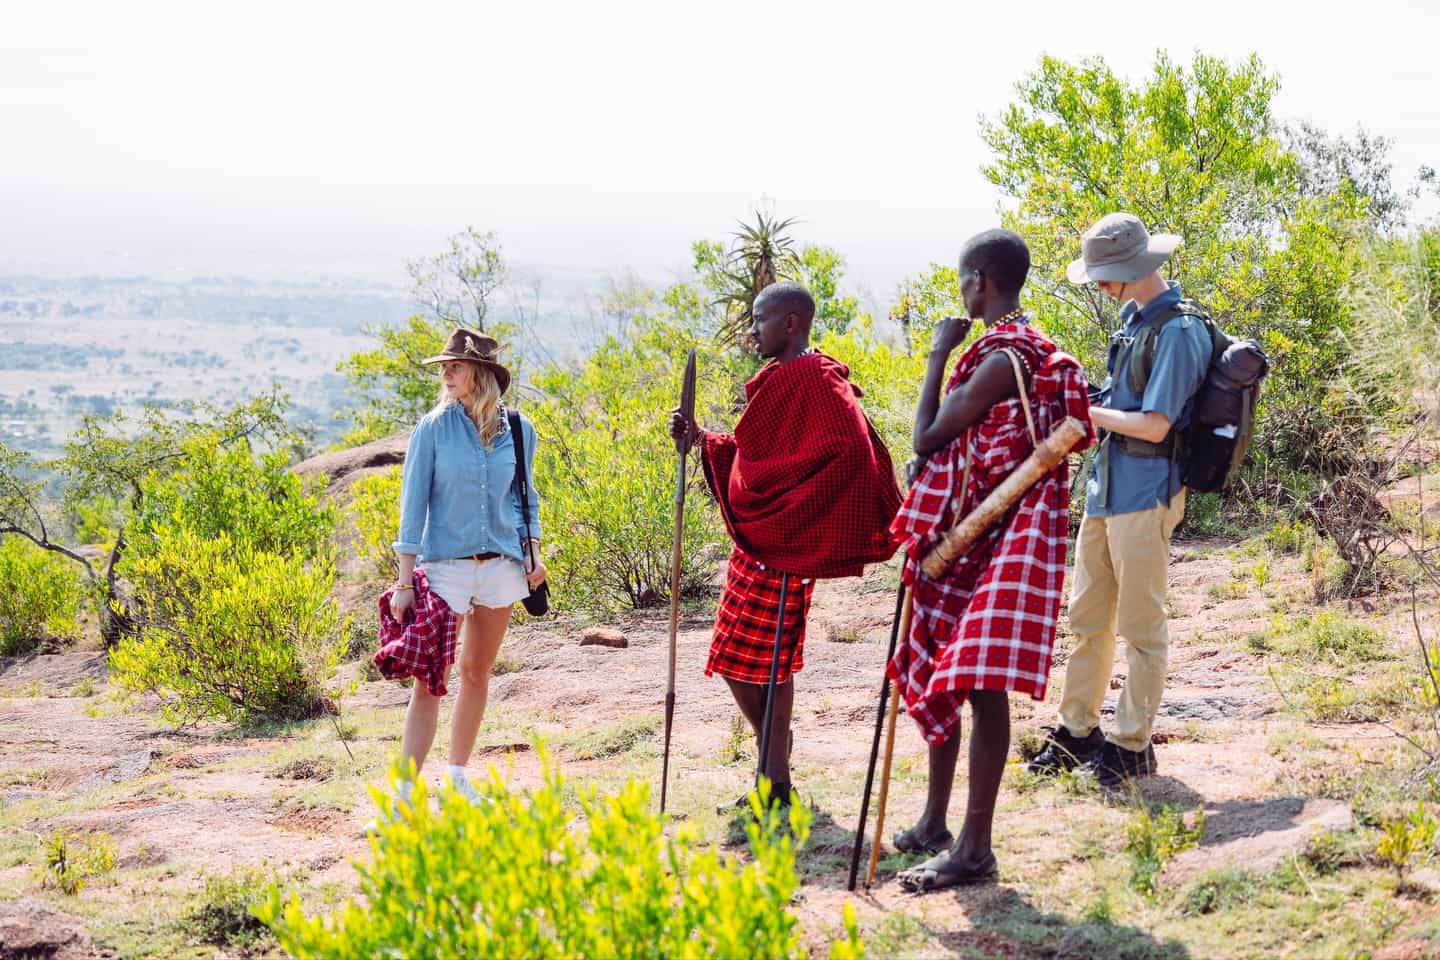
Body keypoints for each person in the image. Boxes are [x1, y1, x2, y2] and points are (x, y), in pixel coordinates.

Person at [888, 229, 1094, 892]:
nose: (960, 291)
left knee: (979, 684)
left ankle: (975, 849)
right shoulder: (1020, 345)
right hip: (974, 538)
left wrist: (935, 355)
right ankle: (935, 824)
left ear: (980, 281)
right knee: (956, 677)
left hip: (989, 541)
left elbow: (927, 434)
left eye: (962, 279)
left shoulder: (1003, 357)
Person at [670, 281, 901, 808]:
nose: (754, 330)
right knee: (732, 656)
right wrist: (702, 438)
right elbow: (763, 459)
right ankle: (773, 755)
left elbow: (852, 453)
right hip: (760, 538)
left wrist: (806, 519)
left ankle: (774, 779)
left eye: (761, 319)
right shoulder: (780, 379)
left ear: (791, 322)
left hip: (790, 542)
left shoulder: (820, 380)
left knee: (774, 662)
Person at [1028, 213, 1211, 787]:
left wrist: (1081, 413)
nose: (1102, 286)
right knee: (1087, 619)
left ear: (1135, 269)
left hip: (1146, 493)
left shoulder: (1179, 331)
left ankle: (1133, 744)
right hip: (1107, 493)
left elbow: (1156, 425)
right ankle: (1077, 731)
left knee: (1140, 626)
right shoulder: (1134, 325)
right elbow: (1120, 405)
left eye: (1106, 275)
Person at [383, 327, 547, 814]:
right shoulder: (432, 428)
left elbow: (525, 498)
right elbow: (412, 508)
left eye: (455, 366)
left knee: (477, 673)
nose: (446, 374)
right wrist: (404, 580)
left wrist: (532, 552)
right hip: (445, 568)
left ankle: (457, 779)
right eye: (444, 367)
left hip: (501, 566)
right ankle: (407, 792)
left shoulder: (520, 429)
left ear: (481, 373)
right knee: (432, 678)